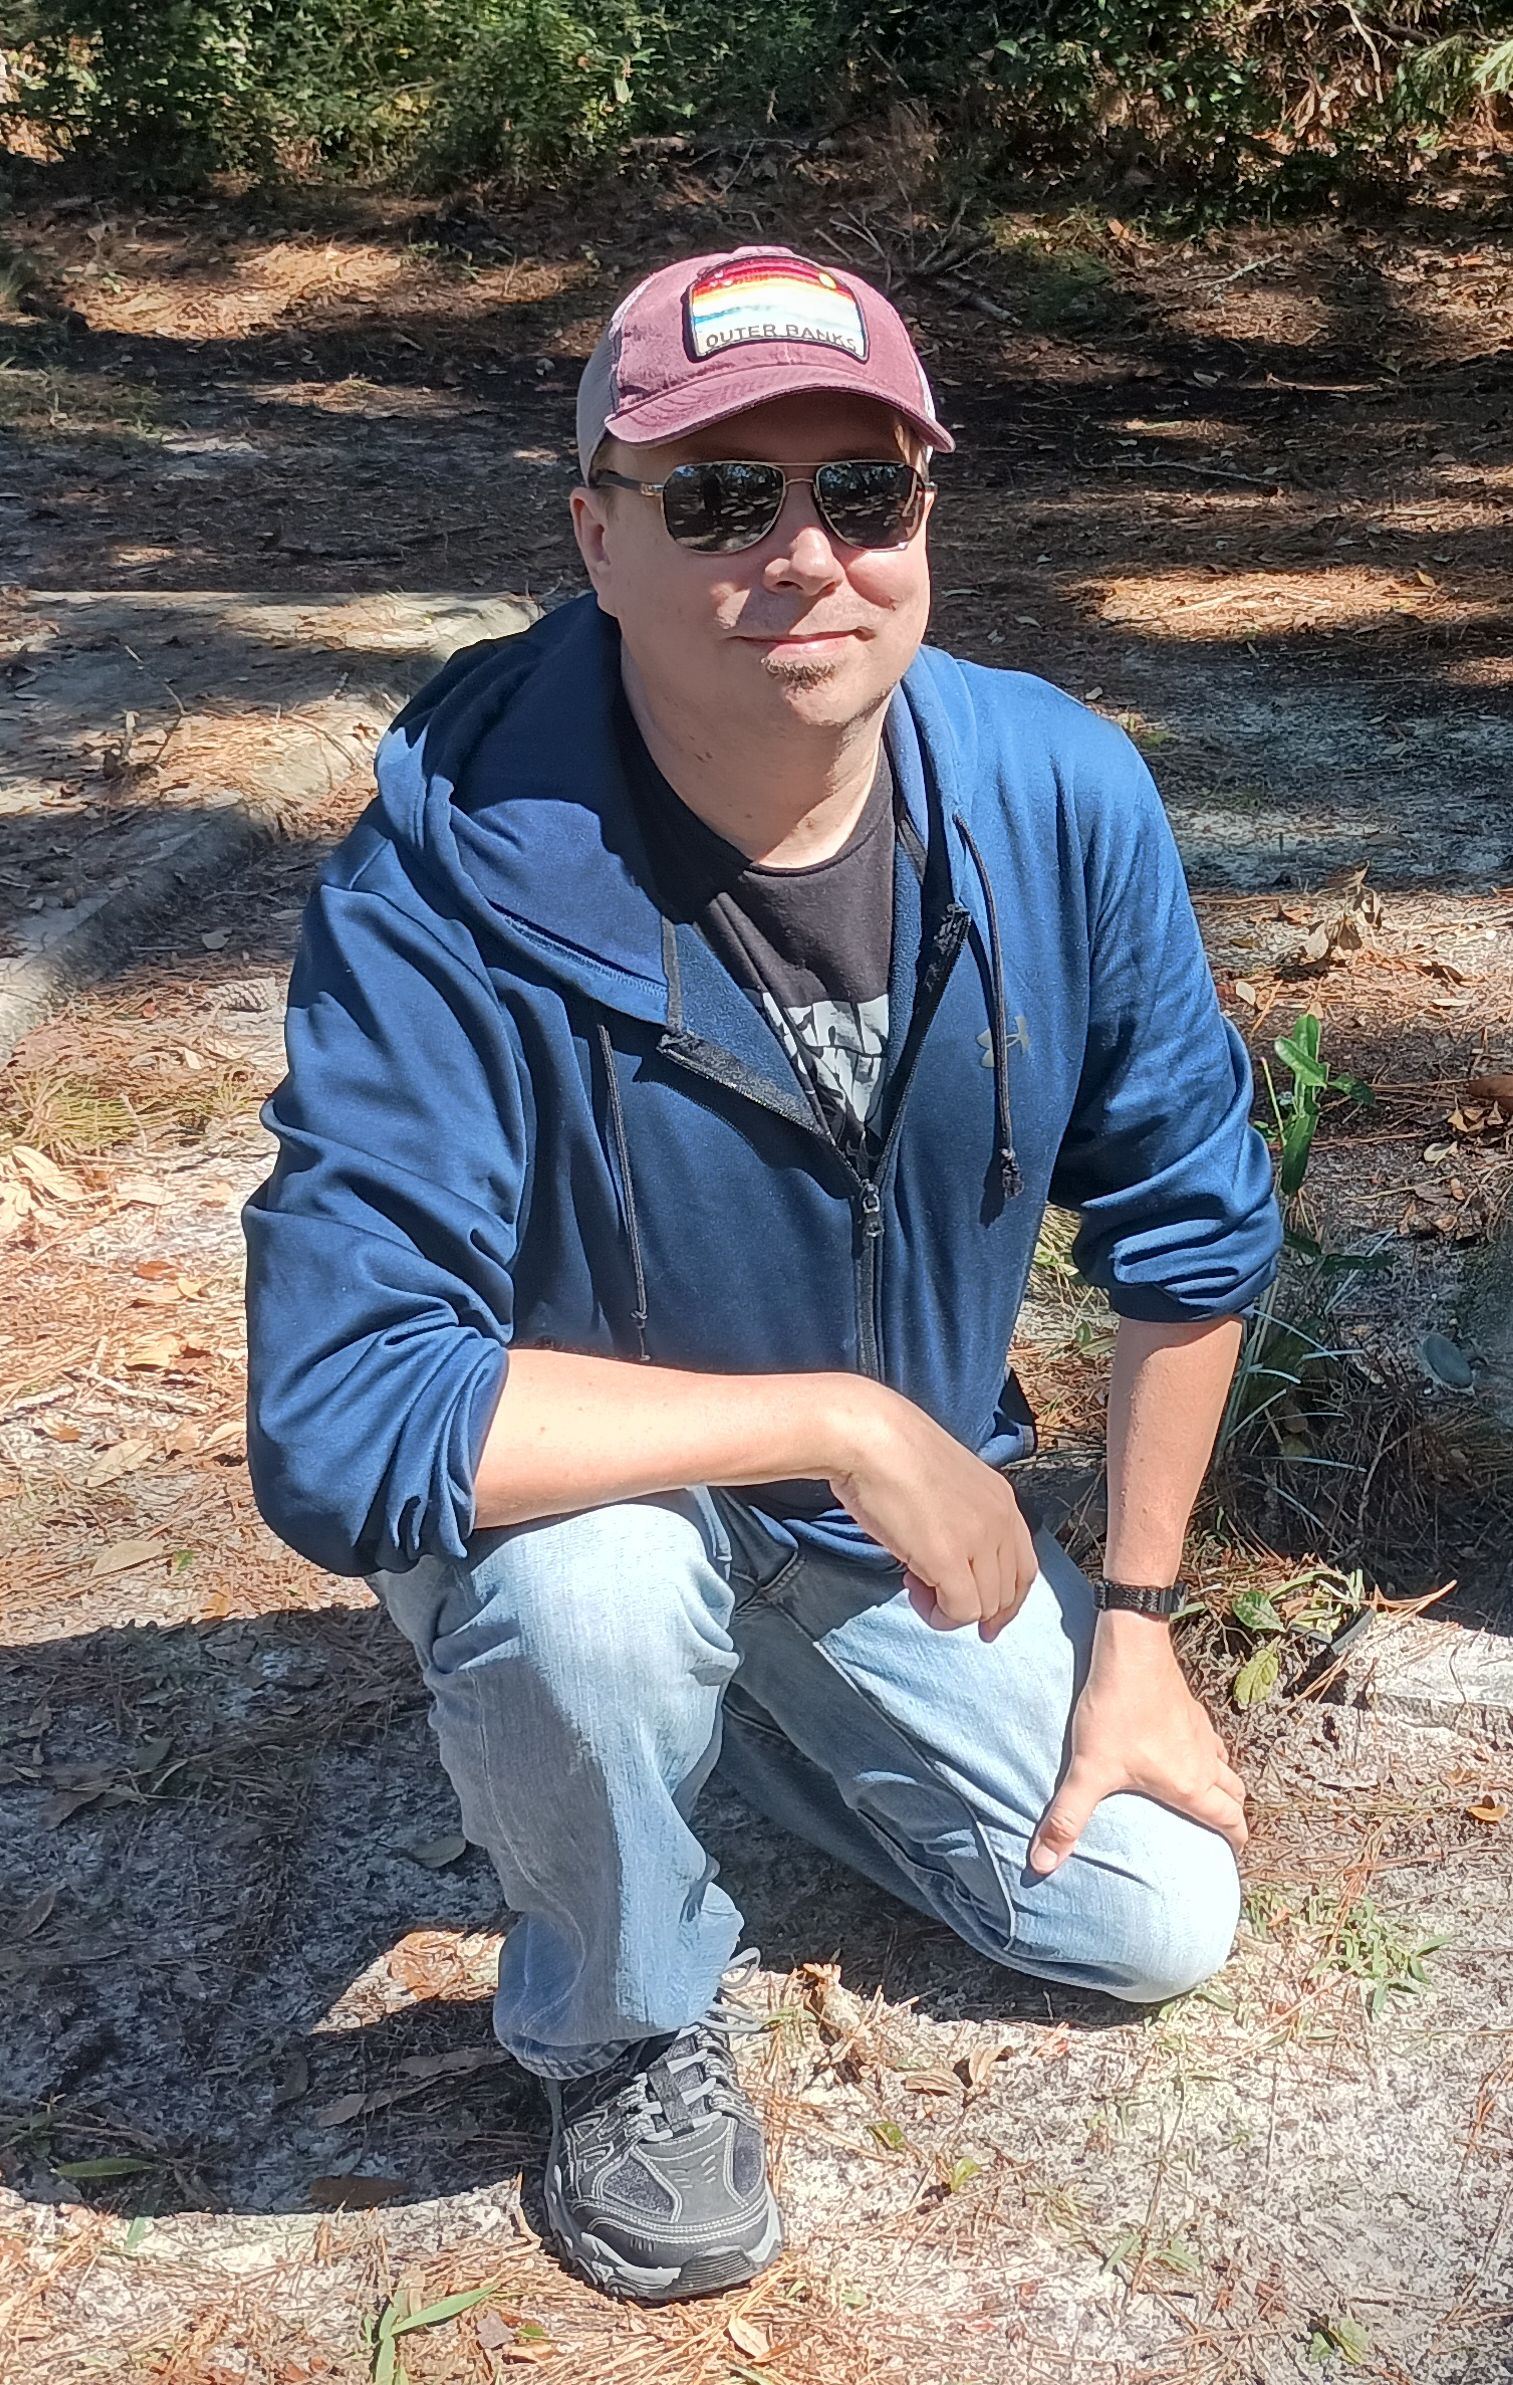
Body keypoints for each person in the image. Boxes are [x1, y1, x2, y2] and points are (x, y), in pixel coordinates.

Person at [245, 245, 1280, 2306]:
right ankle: (620, 2015)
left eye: (862, 492)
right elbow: (341, 1415)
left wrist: (1141, 1622)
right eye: (720, 499)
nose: (802, 554)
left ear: (925, 518)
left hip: (853, 1530)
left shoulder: (1060, 795)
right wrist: (844, 1416)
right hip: (590, 1497)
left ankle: (703, 1719)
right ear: (598, 536)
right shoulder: (445, 868)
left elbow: (1190, 1221)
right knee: (608, 1604)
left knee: (1153, 1915)